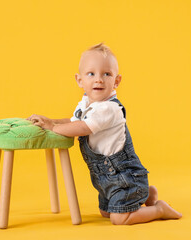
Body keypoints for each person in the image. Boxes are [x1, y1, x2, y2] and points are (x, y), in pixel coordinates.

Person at [27, 43, 182, 225]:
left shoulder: (109, 108)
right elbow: (73, 122)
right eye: (91, 74)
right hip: (106, 180)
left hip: (124, 177)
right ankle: (147, 194)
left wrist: (52, 128)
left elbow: (82, 128)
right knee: (105, 213)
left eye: (106, 74)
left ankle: (158, 209)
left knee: (119, 218)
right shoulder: (85, 104)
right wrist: (50, 121)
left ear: (116, 81)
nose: (99, 79)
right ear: (80, 80)